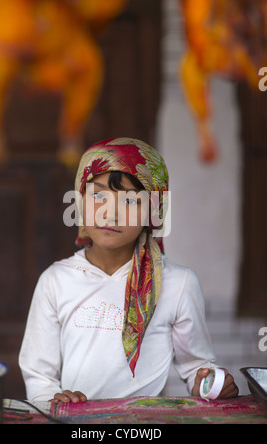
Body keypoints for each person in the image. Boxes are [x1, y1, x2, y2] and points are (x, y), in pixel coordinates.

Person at [19, 137, 238, 403]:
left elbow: (195, 368)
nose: (109, 214)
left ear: (154, 211)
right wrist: (55, 401)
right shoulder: (56, 281)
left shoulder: (177, 284)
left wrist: (209, 383)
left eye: (131, 201)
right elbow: (39, 374)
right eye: (98, 195)